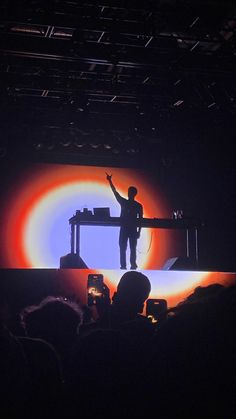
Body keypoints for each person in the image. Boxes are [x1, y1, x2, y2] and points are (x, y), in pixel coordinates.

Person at [106, 172, 143, 270]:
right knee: (130, 248)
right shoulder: (137, 205)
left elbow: (115, 193)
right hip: (131, 229)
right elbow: (140, 220)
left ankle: (125, 266)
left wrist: (110, 181)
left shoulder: (125, 203)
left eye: (129, 192)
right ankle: (131, 266)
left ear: (131, 193)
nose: (129, 193)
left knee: (126, 248)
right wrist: (138, 231)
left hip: (126, 229)